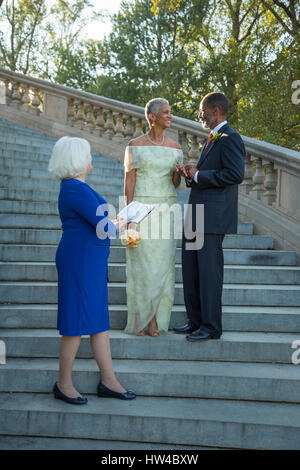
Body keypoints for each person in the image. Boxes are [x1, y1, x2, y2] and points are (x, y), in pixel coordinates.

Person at [48, 136, 136, 404]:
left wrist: (118, 220)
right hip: (79, 261)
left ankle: (108, 381)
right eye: (87, 154)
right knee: (75, 324)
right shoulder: (74, 188)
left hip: (91, 261)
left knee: (98, 322)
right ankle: (63, 384)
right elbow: (106, 228)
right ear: (76, 160)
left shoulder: (78, 187)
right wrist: (125, 221)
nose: (91, 158)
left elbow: (102, 221)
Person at [174, 92, 245, 341]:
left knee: (208, 273)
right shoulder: (212, 138)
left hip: (212, 218)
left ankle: (211, 326)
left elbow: (235, 174)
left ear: (215, 111)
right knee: (191, 270)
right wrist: (192, 173)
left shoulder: (230, 138)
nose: (199, 114)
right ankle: (195, 321)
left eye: (202, 110)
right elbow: (209, 175)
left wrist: (200, 175)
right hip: (196, 213)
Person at [124, 98, 183, 336]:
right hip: (141, 209)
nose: (170, 116)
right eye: (166, 112)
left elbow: (176, 184)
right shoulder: (134, 145)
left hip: (167, 210)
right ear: (152, 116)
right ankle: (140, 317)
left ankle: (155, 320)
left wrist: (178, 173)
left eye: (171, 112)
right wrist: (129, 216)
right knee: (142, 266)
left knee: (163, 266)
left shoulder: (176, 148)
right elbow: (129, 181)